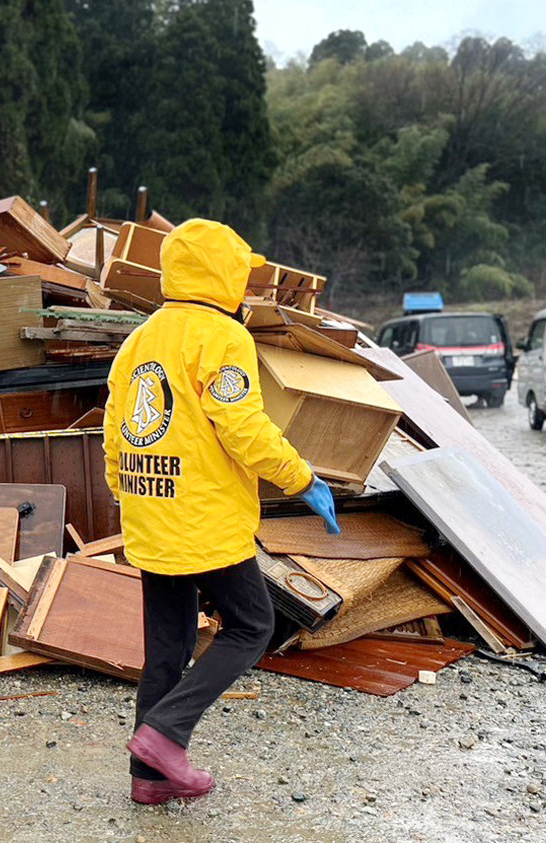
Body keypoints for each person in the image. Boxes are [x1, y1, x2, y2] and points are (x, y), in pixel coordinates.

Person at [102, 218, 340, 806]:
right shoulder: (224, 338)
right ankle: (165, 734)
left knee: (168, 647)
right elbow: (243, 428)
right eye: (241, 273)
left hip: (150, 512)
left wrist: (124, 491)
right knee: (252, 626)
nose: (246, 284)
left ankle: (149, 779)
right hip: (204, 518)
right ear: (223, 274)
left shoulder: (140, 338)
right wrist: (301, 478)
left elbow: (114, 428)